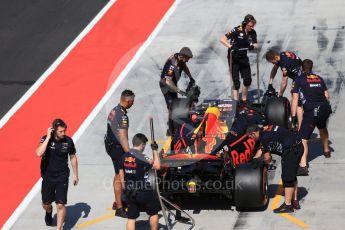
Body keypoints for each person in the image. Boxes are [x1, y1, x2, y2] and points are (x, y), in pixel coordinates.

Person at [247, 124, 303, 213]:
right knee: (291, 174)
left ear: (253, 133)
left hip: (291, 150)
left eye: (250, 137)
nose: (250, 139)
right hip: (298, 146)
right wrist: (255, 158)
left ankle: (288, 205)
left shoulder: (264, 138)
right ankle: (294, 200)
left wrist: (261, 161)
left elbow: (268, 159)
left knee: (287, 178)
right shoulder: (265, 129)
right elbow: (263, 148)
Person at [36, 119, 79, 229]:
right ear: (54, 131)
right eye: (60, 131)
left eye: (64, 130)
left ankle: (59, 228)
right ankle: (49, 212)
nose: (63, 133)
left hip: (62, 176)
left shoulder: (68, 141)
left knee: (60, 204)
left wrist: (75, 175)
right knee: (46, 204)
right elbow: (38, 153)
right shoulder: (45, 139)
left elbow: (73, 157)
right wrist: (48, 138)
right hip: (48, 177)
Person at [291, 59, 332, 175]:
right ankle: (326, 150)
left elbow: (295, 99)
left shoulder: (298, 80)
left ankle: (303, 166)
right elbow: (327, 95)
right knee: (322, 128)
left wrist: (293, 116)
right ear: (312, 67)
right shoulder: (319, 78)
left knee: (303, 139)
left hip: (312, 111)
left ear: (301, 68)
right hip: (324, 109)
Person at [119, 133, 161, 230]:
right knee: (154, 212)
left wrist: (124, 186)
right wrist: (154, 150)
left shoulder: (124, 156)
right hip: (143, 190)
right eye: (144, 145)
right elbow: (157, 166)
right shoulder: (143, 157)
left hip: (129, 190)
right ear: (141, 144)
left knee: (131, 218)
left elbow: (121, 172)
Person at [104, 89, 135, 217]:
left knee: (118, 174)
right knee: (119, 175)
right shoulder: (123, 116)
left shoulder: (114, 110)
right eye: (132, 101)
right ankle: (119, 208)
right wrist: (129, 153)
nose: (133, 103)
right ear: (127, 101)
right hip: (116, 147)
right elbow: (123, 137)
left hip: (110, 144)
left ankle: (118, 201)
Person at [220, 14, 258, 103]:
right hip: (233, 57)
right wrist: (230, 46)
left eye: (253, 26)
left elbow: (256, 44)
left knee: (247, 79)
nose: (251, 28)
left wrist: (252, 46)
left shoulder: (252, 32)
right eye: (249, 26)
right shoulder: (237, 30)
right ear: (245, 24)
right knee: (236, 82)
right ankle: (235, 102)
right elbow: (222, 39)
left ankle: (244, 100)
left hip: (243, 57)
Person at [159, 47, 195, 136]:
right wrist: (179, 90)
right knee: (171, 107)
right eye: (187, 58)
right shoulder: (172, 64)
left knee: (175, 105)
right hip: (166, 85)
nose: (188, 61)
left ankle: (175, 125)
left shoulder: (181, 59)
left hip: (173, 83)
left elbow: (184, 66)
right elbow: (168, 81)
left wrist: (191, 77)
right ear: (182, 56)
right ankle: (170, 130)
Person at [265, 49, 303, 127]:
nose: (273, 64)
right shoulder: (281, 55)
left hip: (301, 77)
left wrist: (280, 96)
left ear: (276, 57)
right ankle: (295, 115)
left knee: (295, 97)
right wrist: (270, 82)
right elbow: (275, 68)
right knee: (294, 95)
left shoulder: (285, 63)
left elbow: (284, 82)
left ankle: (295, 119)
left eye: (272, 62)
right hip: (298, 72)